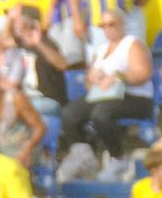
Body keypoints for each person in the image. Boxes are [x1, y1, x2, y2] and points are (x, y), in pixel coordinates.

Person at [60, 10, 153, 179]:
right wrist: (93, 79)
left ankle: (117, 157)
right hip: (104, 95)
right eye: (104, 25)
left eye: (112, 24)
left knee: (101, 114)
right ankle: (83, 155)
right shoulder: (101, 49)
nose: (108, 29)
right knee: (70, 113)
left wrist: (119, 76)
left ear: (122, 24)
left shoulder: (132, 44)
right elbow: (89, 82)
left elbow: (143, 73)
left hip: (134, 97)